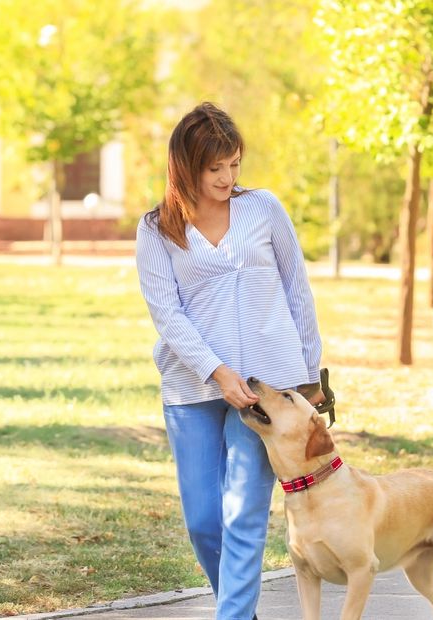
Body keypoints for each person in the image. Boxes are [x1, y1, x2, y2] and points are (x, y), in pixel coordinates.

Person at [135, 102, 325, 620]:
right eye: (214, 167)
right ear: (186, 166)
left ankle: (234, 616)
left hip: (268, 387)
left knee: (243, 514)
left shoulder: (263, 209)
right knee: (202, 519)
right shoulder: (156, 229)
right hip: (192, 387)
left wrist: (310, 378)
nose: (226, 177)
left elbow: (297, 290)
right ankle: (238, 609)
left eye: (234, 164)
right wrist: (218, 372)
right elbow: (167, 314)